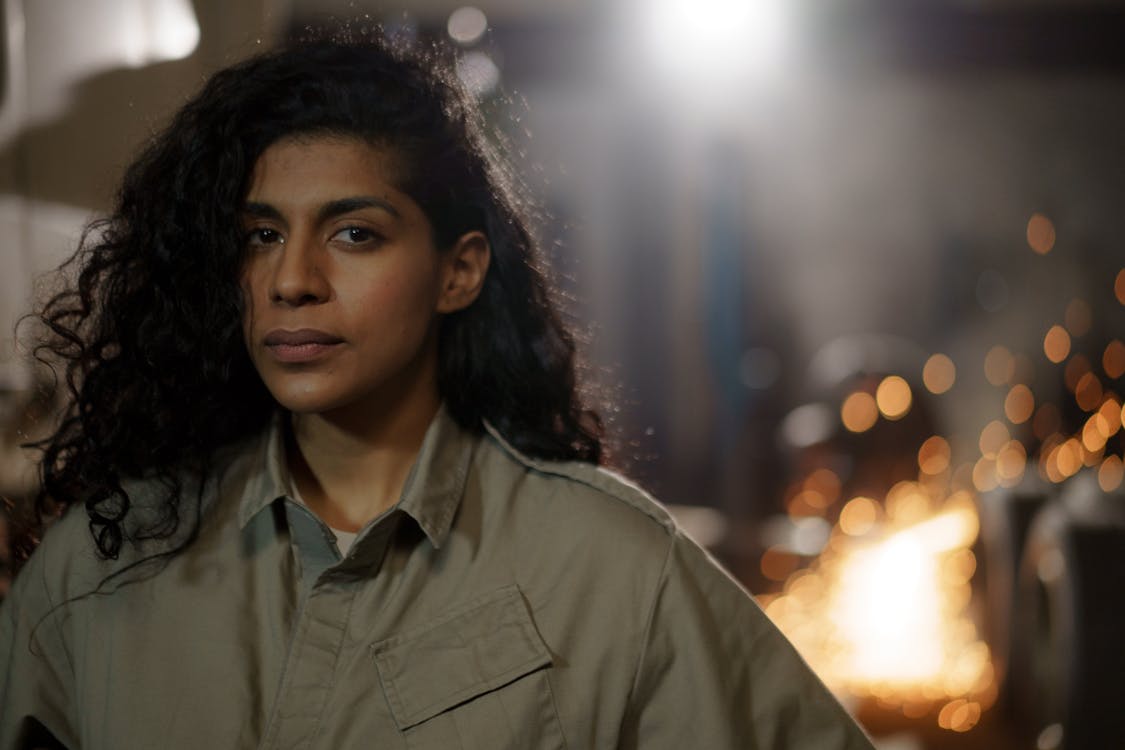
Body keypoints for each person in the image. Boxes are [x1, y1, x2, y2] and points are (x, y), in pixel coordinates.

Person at [0, 36, 874, 749]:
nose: (291, 280)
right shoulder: (105, 563)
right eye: (261, 235)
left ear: (458, 272)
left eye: (353, 233)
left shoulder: (612, 570)